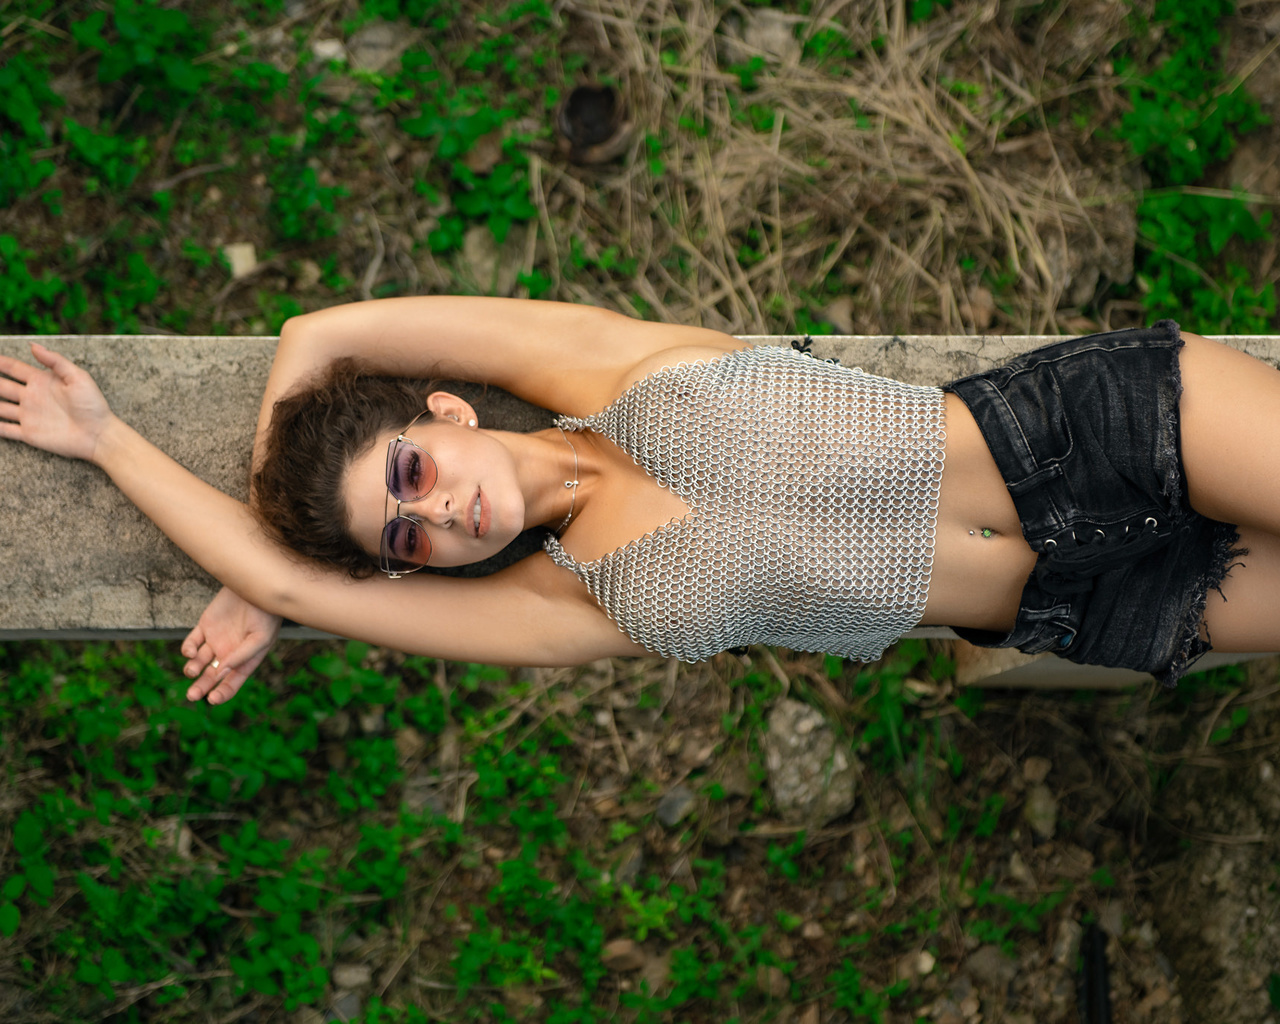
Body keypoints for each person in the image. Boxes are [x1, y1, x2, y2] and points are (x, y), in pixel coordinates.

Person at [2, 298, 1278, 705]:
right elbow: (294, 584)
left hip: (1097, 432)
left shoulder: (595, 367)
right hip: (1085, 603)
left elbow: (319, 327)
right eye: (405, 535)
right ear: (412, 566)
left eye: (410, 471)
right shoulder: (571, 603)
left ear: (441, 415)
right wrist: (106, 440)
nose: (438, 511)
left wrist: (274, 509)